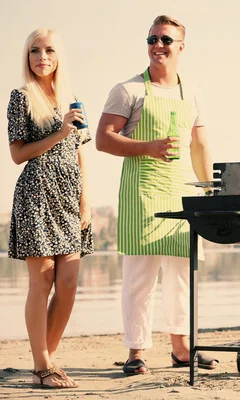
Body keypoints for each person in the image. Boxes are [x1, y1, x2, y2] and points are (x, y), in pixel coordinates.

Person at [96, 15, 218, 375]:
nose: (157, 46)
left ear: (181, 46)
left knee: (183, 276)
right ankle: (136, 352)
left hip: (183, 193)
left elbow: (200, 145)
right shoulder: (128, 90)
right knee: (139, 279)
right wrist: (149, 147)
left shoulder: (192, 93)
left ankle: (182, 349)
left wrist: (209, 190)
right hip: (142, 193)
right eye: (152, 39)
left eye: (165, 39)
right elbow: (103, 139)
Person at [7, 28, 93, 388]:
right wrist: (57, 133)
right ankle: (43, 365)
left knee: (69, 283)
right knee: (41, 283)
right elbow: (17, 155)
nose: (42, 57)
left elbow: (80, 153)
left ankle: (44, 358)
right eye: (35, 51)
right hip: (36, 195)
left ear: (59, 56)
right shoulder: (20, 97)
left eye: (49, 50)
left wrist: (85, 200)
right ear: (27, 58)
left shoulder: (72, 98)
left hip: (69, 198)